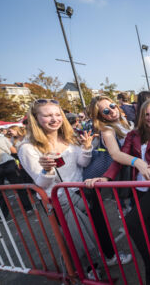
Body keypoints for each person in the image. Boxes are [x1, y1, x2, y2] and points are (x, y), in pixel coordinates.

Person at [86, 100, 150, 284]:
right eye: (147, 114)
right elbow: (118, 159)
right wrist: (107, 177)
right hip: (139, 187)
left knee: (132, 221)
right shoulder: (133, 134)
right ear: (141, 116)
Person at [17, 99, 101, 279]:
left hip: (82, 193)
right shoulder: (27, 147)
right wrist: (47, 171)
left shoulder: (70, 137)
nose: (54, 119)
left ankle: (94, 267)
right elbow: (41, 184)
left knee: (90, 233)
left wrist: (86, 148)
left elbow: (82, 164)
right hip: (58, 201)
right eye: (47, 115)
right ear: (36, 119)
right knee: (74, 240)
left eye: (57, 114)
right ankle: (83, 272)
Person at [84, 95, 134, 266]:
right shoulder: (107, 130)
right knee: (132, 215)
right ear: (100, 116)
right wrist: (139, 162)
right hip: (120, 178)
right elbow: (116, 155)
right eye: (106, 110)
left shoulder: (125, 123)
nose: (112, 110)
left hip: (132, 176)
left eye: (112, 105)